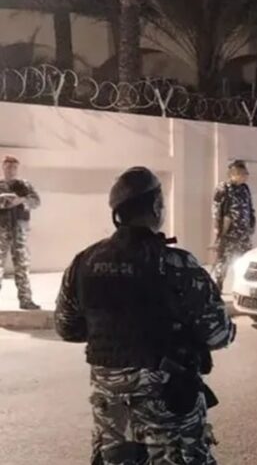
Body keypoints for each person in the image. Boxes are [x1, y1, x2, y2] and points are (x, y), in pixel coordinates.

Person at [54, 166, 236, 464]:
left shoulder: (84, 262)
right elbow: (218, 334)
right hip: (169, 399)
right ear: (156, 208)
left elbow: (66, 327)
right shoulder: (177, 264)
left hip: (111, 404)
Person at [0, 155, 41, 310]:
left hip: (20, 231)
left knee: (22, 266)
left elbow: (36, 201)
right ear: (3, 167)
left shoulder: (24, 185)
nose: (11, 169)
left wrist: (21, 200)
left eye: (14, 167)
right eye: (8, 166)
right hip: (1, 230)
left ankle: (26, 300)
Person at [212, 160, 256, 291]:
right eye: (242, 174)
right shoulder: (223, 188)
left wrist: (252, 224)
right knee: (223, 260)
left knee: (246, 260)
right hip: (228, 233)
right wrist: (217, 229)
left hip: (244, 233)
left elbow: (250, 208)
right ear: (233, 175)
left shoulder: (245, 189)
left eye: (246, 174)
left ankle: (243, 285)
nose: (245, 176)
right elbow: (216, 210)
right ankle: (218, 285)